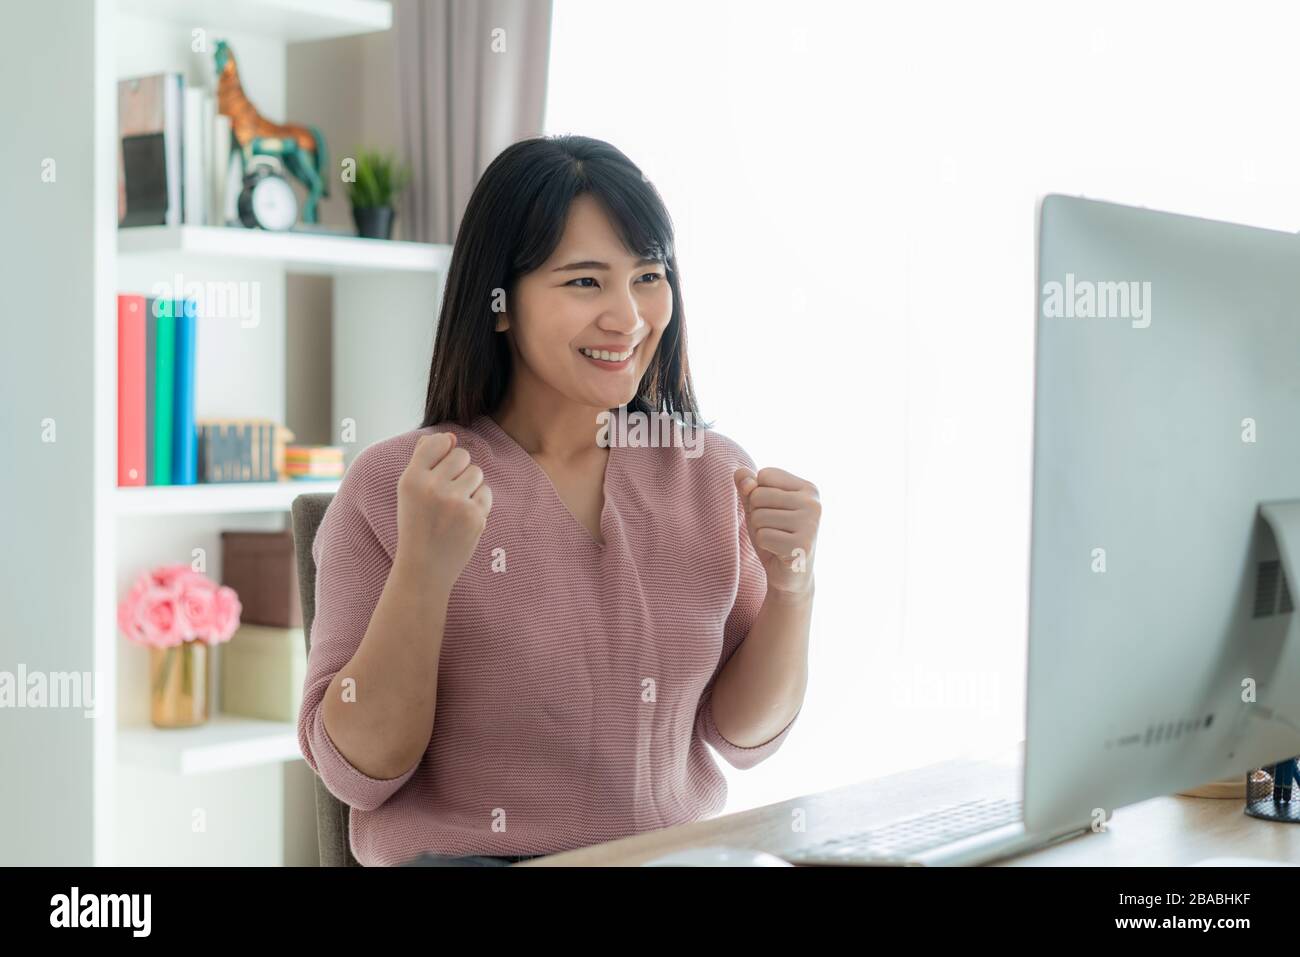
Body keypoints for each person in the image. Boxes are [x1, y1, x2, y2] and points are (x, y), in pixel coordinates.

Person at [297, 134, 820, 866]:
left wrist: (793, 589)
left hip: (677, 857)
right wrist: (423, 571)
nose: (628, 317)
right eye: (584, 282)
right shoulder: (396, 486)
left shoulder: (712, 472)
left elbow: (741, 735)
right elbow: (360, 767)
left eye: (647, 276)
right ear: (501, 304)